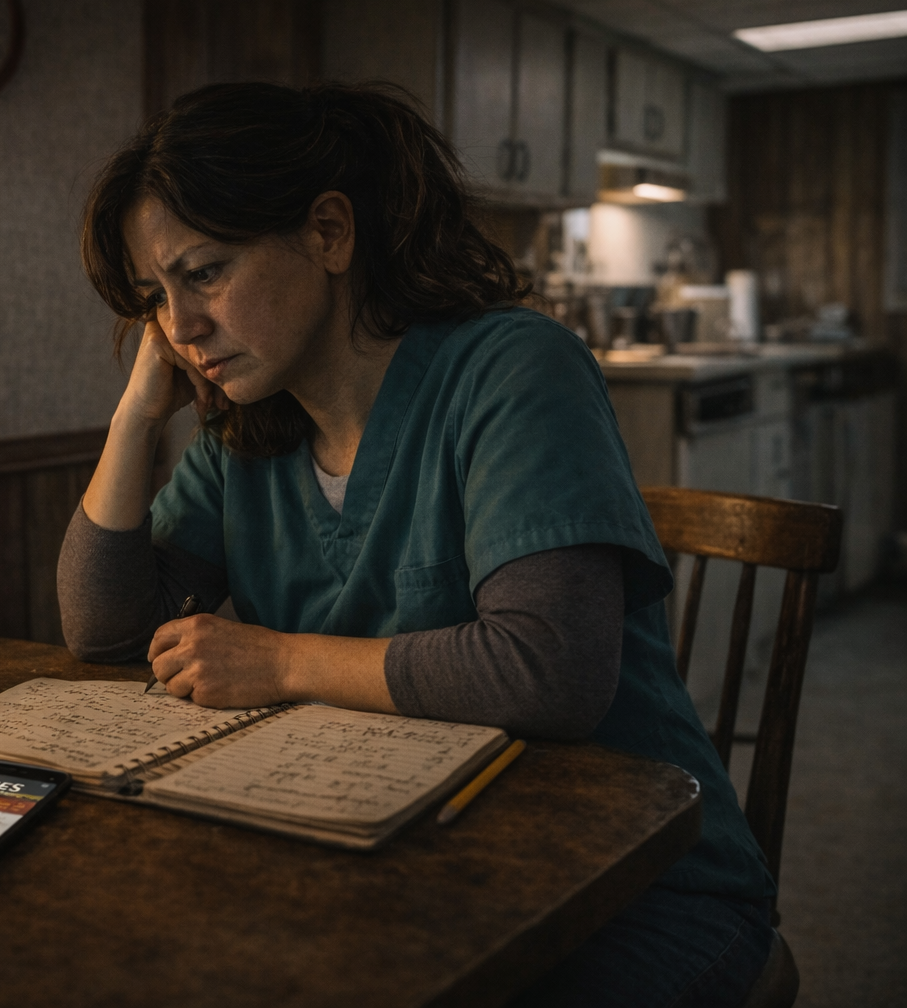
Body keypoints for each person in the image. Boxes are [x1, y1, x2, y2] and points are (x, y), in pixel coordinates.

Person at [57, 81, 777, 1007]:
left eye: (204, 272)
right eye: (157, 296)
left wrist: (279, 661)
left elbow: (545, 672)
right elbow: (103, 628)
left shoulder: (513, 371)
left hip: (634, 886)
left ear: (328, 233)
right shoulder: (248, 433)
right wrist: (133, 417)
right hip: (406, 865)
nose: (181, 327)